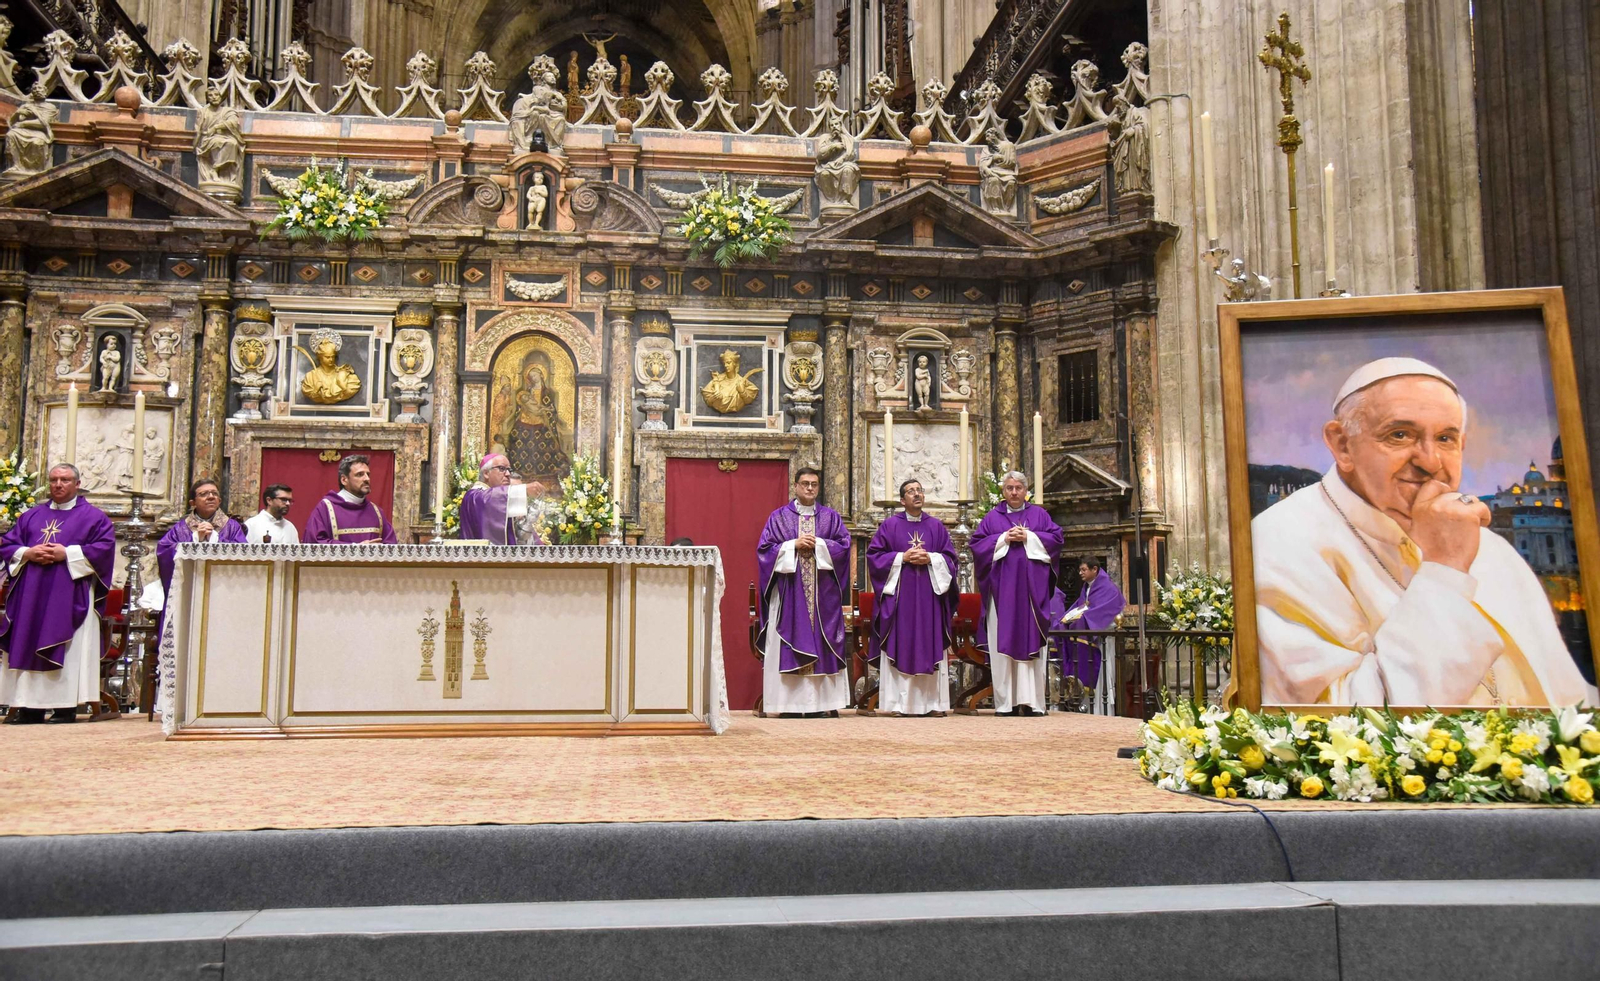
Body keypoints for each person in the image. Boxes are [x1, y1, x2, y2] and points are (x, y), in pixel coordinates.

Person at [1253, 357, 1596, 707]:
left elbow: (1569, 696)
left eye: (1446, 438)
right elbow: (1330, 729)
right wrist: (1445, 568)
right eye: (1399, 435)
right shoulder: (1282, 540)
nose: (1430, 461)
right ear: (1342, 445)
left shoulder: (1490, 547)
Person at [0, 464, 115, 724]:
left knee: (68, 645)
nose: (58, 485)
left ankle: (65, 707)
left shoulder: (94, 517)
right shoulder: (30, 516)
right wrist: (27, 553)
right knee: (28, 638)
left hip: (69, 593)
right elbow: (9, 544)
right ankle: (29, 707)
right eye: (53, 480)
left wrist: (69, 553)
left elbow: (104, 549)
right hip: (31, 593)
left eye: (65, 480)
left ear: (77, 483)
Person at [756, 467, 852, 717]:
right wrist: (792, 545)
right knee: (788, 640)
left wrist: (819, 544)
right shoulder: (778, 518)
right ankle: (788, 705)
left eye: (814, 484)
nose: (810, 488)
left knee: (823, 642)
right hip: (790, 595)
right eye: (805, 483)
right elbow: (765, 551)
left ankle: (820, 704)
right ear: (795, 486)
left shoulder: (831, 518)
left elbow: (844, 547)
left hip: (823, 597)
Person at [971, 471, 1063, 715]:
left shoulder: (1039, 515)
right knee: (1002, 641)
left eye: (1018, 488)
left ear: (1026, 491)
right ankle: (1006, 703)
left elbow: (1057, 539)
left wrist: (1029, 536)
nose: (1014, 492)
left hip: (1032, 594)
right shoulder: (992, 518)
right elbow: (977, 546)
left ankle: (1033, 702)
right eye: (1009, 488)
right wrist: (1003, 538)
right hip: (1001, 594)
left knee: (1031, 641)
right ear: (1003, 491)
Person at [866, 478, 958, 716]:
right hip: (900, 601)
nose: (917, 494)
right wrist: (901, 558)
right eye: (911, 491)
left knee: (930, 643)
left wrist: (932, 559)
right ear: (902, 500)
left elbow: (951, 560)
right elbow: (874, 558)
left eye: (919, 490)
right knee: (902, 643)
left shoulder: (936, 527)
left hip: (929, 600)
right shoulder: (889, 526)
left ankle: (933, 704)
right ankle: (899, 704)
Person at [156, 478, 248, 649]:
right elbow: (164, 552)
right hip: (190, 593)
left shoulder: (232, 528)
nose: (211, 497)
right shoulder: (181, 529)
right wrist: (194, 540)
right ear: (193, 502)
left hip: (223, 594)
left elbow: (243, 555)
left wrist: (215, 541)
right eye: (204, 494)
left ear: (220, 501)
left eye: (214, 494)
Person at [1050, 556, 1127, 691]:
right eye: (1080, 570)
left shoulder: (1107, 588)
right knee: (1062, 625)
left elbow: (1102, 611)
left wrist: (1081, 619)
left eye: (1084, 570)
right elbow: (1081, 607)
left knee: (1102, 675)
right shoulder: (1087, 587)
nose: (1080, 573)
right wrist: (1066, 619)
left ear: (1095, 569)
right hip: (1095, 635)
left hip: (1102, 639)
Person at [302, 455, 398, 545]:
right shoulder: (325, 509)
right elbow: (313, 544)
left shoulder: (377, 512)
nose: (367, 478)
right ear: (344, 480)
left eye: (368, 474)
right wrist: (355, 549)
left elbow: (391, 547)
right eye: (360, 474)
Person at [458, 453, 545, 544]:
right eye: (502, 469)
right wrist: (524, 489)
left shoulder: (504, 500)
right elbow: (488, 499)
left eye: (509, 470)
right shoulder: (473, 496)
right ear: (486, 473)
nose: (508, 474)